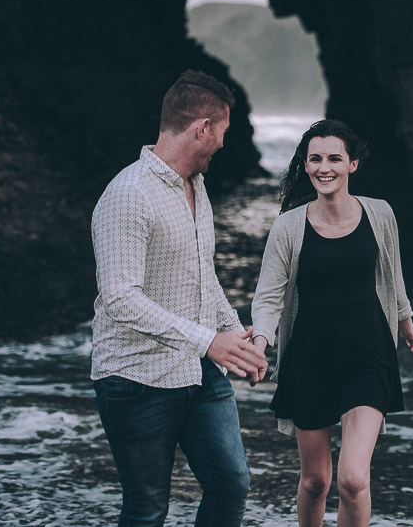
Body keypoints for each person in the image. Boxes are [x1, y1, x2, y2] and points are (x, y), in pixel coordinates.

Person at [90, 69, 268, 527]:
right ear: (202, 128)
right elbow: (120, 299)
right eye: (223, 132)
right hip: (136, 378)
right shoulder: (128, 195)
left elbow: (202, 274)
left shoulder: (198, 187)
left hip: (199, 374)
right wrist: (208, 340)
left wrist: (232, 332)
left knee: (232, 485)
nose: (225, 144)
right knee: (148, 507)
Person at [250, 119, 413, 527]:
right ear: (306, 165)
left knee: (352, 480)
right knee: (316, 481)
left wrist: (407, 325)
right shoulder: (288, 227)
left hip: (369, 356)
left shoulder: (379, 214)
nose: (323, 167)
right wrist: (260, 342)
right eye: (315, 159)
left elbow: (392, 277)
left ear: (353, 164)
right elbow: (269, 296)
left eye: (334, 158)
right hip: (309, 360)